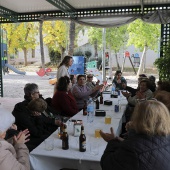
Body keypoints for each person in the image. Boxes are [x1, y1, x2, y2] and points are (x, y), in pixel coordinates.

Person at [100, 100, 170, 170]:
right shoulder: (166, 138)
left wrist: (112, 141)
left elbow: (107, 164)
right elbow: (148, 146)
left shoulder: (132, 150)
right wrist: (121, 139)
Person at [12, 83, 62, 151]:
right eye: (37, 92)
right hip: (31, 137)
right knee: (53, 138)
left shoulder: (37, 103)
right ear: (32, 95)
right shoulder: (22, 110)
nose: (39, 94)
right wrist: (39, 117)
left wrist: (54, 121)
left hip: (40, 130)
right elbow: (36, 132)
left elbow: (45, 117)